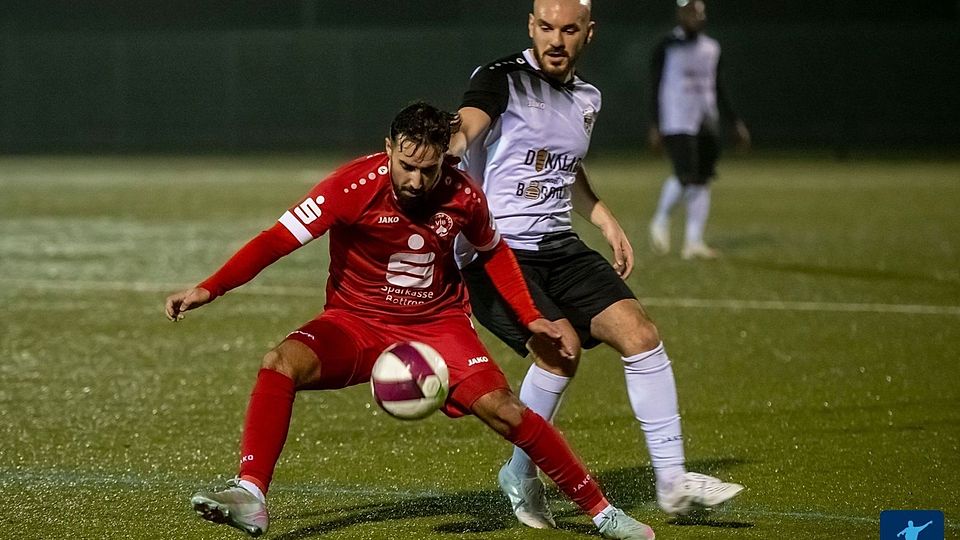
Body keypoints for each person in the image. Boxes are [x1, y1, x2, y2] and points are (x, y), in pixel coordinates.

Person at [164, 102, 654, 539]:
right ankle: (251, 494)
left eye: (428, 168)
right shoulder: (350, 186)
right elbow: (277, 239)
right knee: (280, 362)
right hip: (354, 321)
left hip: (437, 326)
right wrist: (212, 286)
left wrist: (530, 316)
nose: (416, 180)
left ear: (446, 156)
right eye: (406, 165)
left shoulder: (463, 194)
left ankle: (602, 512)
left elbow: (494, 252)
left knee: (505, 409)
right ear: (388, 149)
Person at [448, 0, 743, 529]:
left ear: (589, 33)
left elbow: (565, 166)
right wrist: (451, 144)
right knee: (560, 351)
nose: (555, 40)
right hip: (495, 251)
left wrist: (603, 216)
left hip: (559, 245)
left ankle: (673, 482)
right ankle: (521, 471)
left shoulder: (588, 97)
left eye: (568, 30)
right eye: (545, 28)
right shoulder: (500, 78)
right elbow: (471, 122)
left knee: (640, 333)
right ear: (531, 26)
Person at [647, 0, 751, 260]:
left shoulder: (711, 48)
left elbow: (717, 87)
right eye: (690, 12)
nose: (695, 17)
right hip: (677, 119)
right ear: (680, 15)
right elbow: (655, 85)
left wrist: (733, 121)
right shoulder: (667, 46)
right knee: (685, 175)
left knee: (703, 179)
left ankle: (693, 242)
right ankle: (660, 219)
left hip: (706, 120)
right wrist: (655, 123)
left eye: (699, 13)